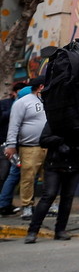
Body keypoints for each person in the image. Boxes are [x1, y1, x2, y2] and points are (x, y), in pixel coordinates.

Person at [24, 123, 79, 243]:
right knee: (49, 195)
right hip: (55, 163)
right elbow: (43, 140)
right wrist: (62, 140)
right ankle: (33, 231)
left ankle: (60, 230)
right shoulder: (55, 118)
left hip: (76, 162)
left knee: (67, 197)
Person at [3, 76, 47, 220]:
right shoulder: (22, 103)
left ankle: (51, 205)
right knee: (27, 178)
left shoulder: (50, 100)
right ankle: (27, 206)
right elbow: (14, 125)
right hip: (29, 147)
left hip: (49, 145)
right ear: (41, 87)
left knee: (51, 177)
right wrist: (11, 145)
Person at [0, 85, 17, 215]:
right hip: (4, 144)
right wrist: (14, 110)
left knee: (12, 175)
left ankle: (6, 204)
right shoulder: (5, 104)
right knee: (4, 174)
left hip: (17, 145)